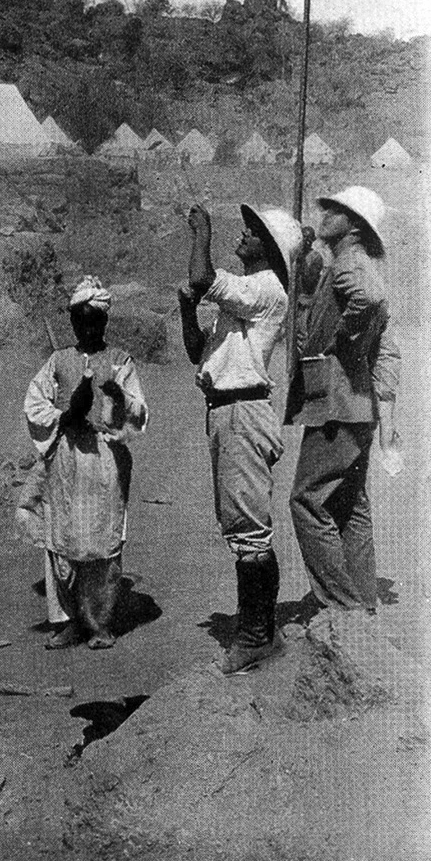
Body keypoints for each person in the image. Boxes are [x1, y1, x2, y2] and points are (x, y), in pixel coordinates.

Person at [178, 202, 302, 674]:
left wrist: (202, 232)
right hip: (227, 411)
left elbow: (204, 275)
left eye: (254, 232)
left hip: (241, 413)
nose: (245, 233)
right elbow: (197, 353)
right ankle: (257, 630)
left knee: (248, 529)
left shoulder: (268, 289)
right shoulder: (246, 298)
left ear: (269, 249)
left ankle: (256, 636)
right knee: (240, 524)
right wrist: (187, 311)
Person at [285, 186, 400, 614]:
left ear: (353, 225)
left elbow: (366, 301)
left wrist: (342, 338)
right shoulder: (357, 263)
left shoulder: (349, 263)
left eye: (336, 209)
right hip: (357, 404)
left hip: (335, 403)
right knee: (350, 505)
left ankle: (342, 604)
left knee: (306, 499)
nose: (326, 212)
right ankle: (363, 604)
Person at [22, 276, 148, 650]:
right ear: (73, 321)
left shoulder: (120, 360)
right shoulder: (58, 360)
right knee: (62, 538)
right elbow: (34, 403)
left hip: (105, 459)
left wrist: (115, 393)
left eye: (95, 320)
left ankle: (100, 622)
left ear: (105, 322)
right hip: (66, 458)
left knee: (102, 541)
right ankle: (69, 621)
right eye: (81, 319)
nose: (88, 327)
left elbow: (138, 414)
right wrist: (65, 415)